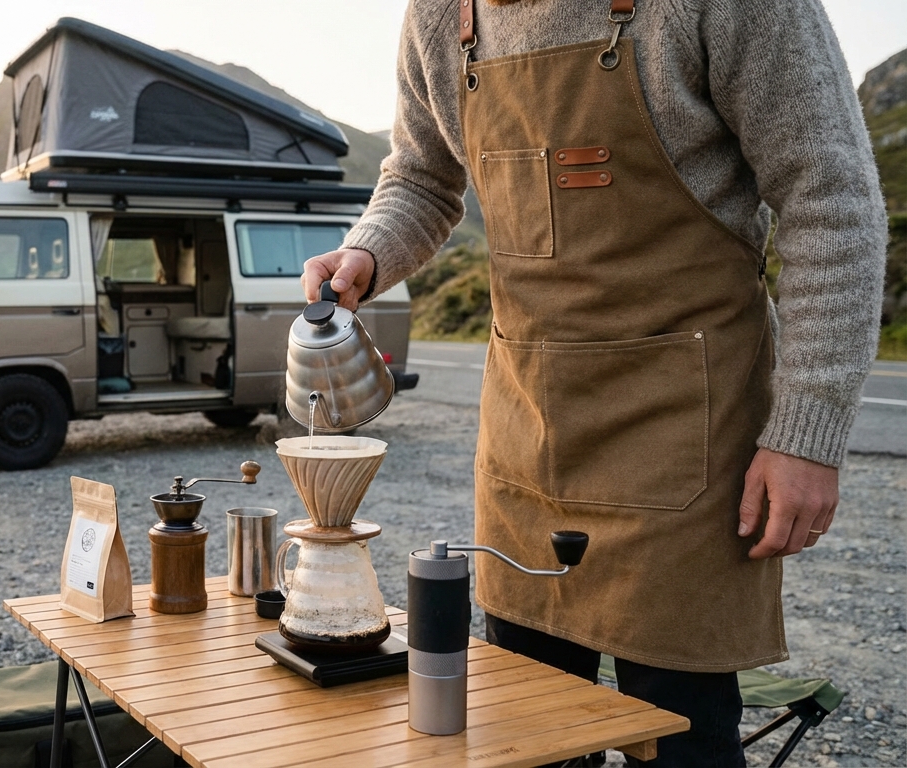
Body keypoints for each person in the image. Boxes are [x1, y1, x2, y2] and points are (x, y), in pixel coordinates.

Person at [302, 0, 887, 764]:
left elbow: (831, 200)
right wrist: (368, 252)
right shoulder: (443, 16)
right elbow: (420, 175)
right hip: (525, 444)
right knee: (523, 734)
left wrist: (807, 433)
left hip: (685, 436)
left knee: (679, 737)